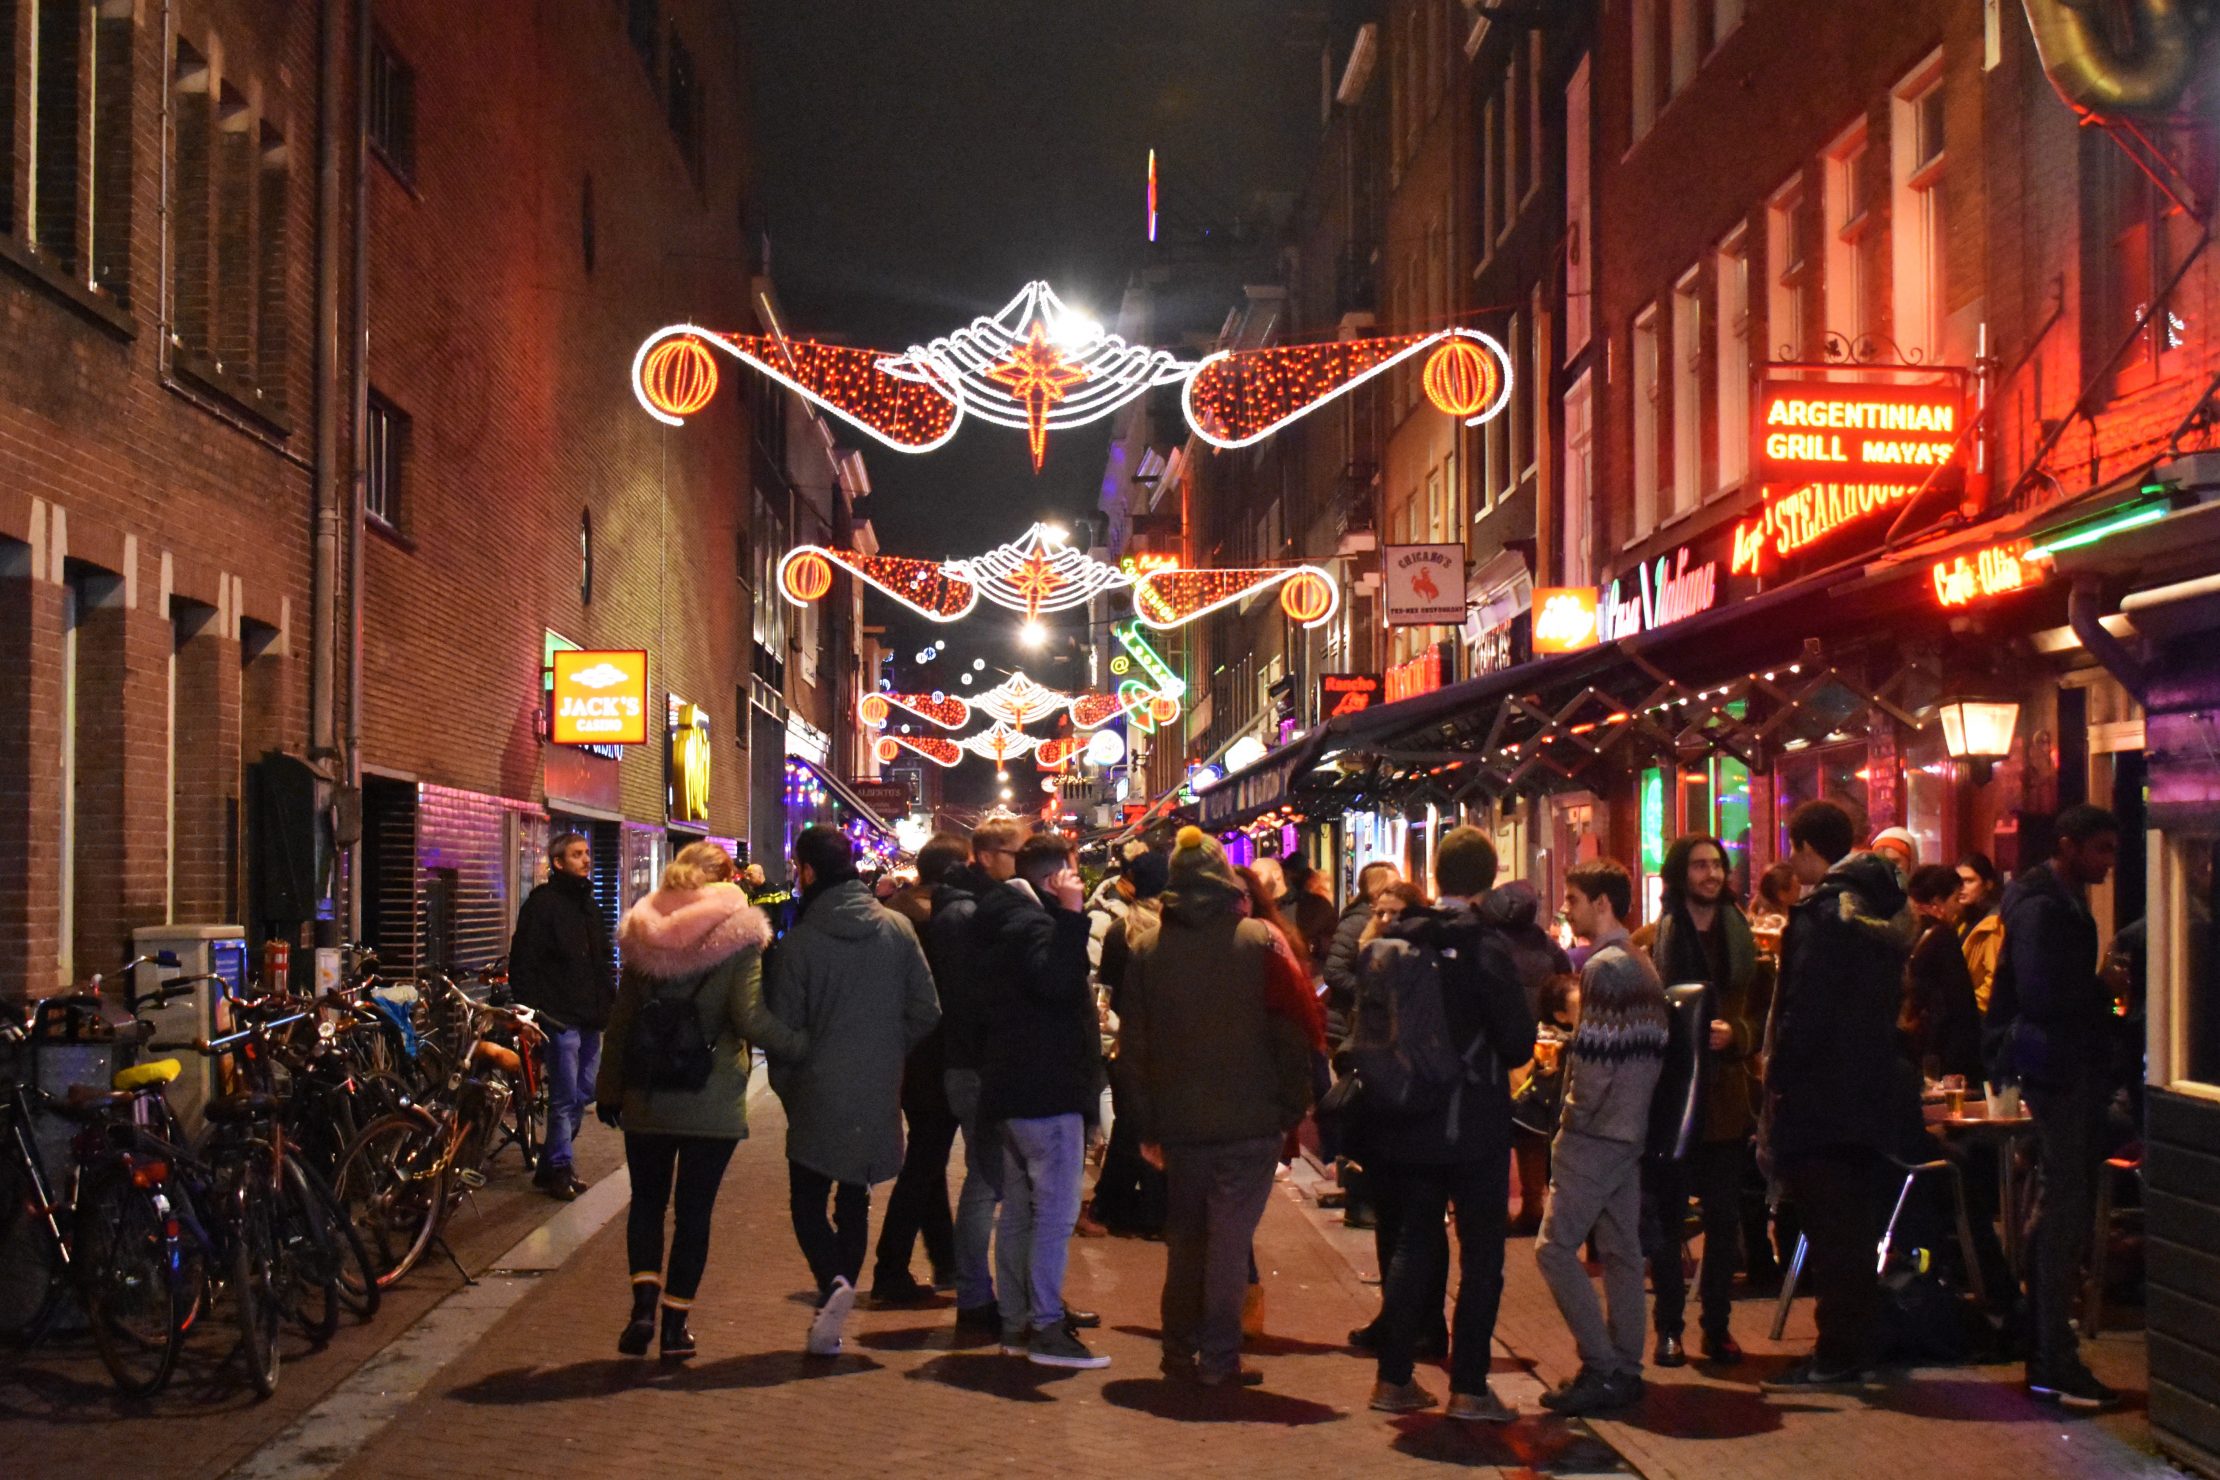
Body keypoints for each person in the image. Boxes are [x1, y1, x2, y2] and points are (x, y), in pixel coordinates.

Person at [1350, 827, 1536, 1421]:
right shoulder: (1484, 946)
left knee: (1414, 1245)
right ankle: (1470, 1387)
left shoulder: (1401, 936)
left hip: (1407, 1116)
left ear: (1436, 873)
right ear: (1490, 878)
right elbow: (1516, 1041)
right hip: (1473, 1121)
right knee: (1482, 1255)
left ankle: (1394, 1378)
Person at [596, 842, 806, 1359]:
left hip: (648, 1092)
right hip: (710, 1094)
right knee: (694, 1213)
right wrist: (802, 1046)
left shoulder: (644, 931)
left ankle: (641, 1307)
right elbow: (750, 1018)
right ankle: (674, 1325)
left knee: (646, 1202)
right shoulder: (739, 937)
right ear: (728, 877)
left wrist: (608, 1086)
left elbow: (622, 1021)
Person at [1122, 827, 1315, 1387]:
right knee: (1230, 1240)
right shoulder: (1259, 940)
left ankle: (1178, 1352)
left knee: (1185, 1239)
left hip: (1180, 1122)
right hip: (1249, 1118)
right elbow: (1292, 1031)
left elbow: (1135, 1048)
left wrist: (1146, 1123)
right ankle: (1220, 1357)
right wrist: (1290, 1107)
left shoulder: (1148, 948)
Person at [766, 825, 941, 1357]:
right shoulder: (898, 931)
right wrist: (888, 1049)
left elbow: (784, 1032)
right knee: (856, 1196)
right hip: (877, 1084)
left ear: (809, 872)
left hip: (817, 1087)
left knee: (807, 1197)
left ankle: (833, 1283)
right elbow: (926, 1010)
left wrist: (793, 1079)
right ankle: (842, 1281)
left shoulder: (797, 946)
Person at [1759, 800, 1916, 1393]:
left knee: (1831, 1231)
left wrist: (1781, 1077)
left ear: (1805, 847)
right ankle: (1857, 1342)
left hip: (1821, 1095)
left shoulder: (1824, 915)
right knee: (1854, 1224)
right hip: (1869, 1088)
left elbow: (1805, 1009)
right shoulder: (1884, 906)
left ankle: (1839, 1351)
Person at [1990, 803, 2125, 1409]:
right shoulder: (2047, 906)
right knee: (2061, 1203)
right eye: (2100, 850)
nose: (2108, 862)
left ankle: (2046, 1344)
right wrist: (2103, 989)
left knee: (2057, 1201)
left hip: (2057, 1066)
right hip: (2058, 1069)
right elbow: (2046, 994)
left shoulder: (2052, 899)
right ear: (2069, 846)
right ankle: (2050, 1354)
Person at [1534, 859, 1667, 1416]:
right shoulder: (1639, 962)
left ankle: (1602, 1365)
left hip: (1597, 1131)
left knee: (1554, 1249)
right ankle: (1626, 1369)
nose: (1567, 908)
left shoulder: (1606, 968)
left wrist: (1571, 1120)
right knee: (1621, 1252)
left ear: (1603, 904)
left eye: (1574, 897)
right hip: (1629, 1127)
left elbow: (1594, 1062)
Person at [973, 831, 1110, 1369]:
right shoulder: (1031, 922)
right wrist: (1073, 917)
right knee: (1052, 1214)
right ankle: (1045, 1326)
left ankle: (1016, 1321)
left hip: (1010, 1085)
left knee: (1019, 1215)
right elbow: (1057, 984)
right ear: (1055, 878)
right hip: (1043, 1088)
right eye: (1072, 874)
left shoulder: (1000, 916)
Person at [1641, 835, 1760, 1368]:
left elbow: (1761, 1016)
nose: (1712, 875)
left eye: (1717, 865)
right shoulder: (1654, 939)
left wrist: (1735, 1033)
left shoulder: (1744, 936)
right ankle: (1669, 1327)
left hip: (1726, 1097)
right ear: (1679, 873)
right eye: (1700, 866)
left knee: (1723, 1216)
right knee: (1666, 1219)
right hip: (1670, 1097)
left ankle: (1718, 1326)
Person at [929, 818, 1024, 1336]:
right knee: (990, 1179)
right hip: (978, 1063)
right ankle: (977, 1296)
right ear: (988, 856)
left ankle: (992, 1293)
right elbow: (976, 997)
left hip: (973, 1060)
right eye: (1015, 853)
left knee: (994, 1178)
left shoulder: (965, 908)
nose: (1021, 864)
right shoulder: (970, 914)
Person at [869, 833, 970, 1306]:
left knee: (927, 1155)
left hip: (902, 1053)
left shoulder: (893, 916)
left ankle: (945, 1259)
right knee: (925, 1161)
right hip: (939, 1051)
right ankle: (891, 1265)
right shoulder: (947, 920)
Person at [508, 831, 615, 1201]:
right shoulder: (542, 905)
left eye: (587, 853)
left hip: (591, 1016)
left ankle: (550, 1165)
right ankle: (559, 1168)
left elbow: (602, 961)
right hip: (560, 1017)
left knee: (585, 1090)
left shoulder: (590, 905)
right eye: (576, 854)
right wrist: (535, 1013)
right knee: (565, 1096)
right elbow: (523, 962)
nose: (586, 860)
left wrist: (609, 1005)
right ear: (558, 862)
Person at [1088, 850, 1172, 1236]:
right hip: (1170, 1042)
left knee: (1131, 1124)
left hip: (1128, 1042)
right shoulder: (1173, 932)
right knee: (1157, 1125)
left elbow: (1105, 990)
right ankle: (1152, 1208)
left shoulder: (1120, 932)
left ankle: (1115, 1203)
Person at [1483, 881, 1573, 1237]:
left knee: (1496, 1131)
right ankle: (1534, 1204)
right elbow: (1564, 984)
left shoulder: (1490, 945)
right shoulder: (1547, 946)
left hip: (1499, 1048)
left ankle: (1498, 1208)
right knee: (1531, 1130)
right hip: (1541, 1046)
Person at [1901, 863, 1983, 1083]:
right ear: (1938, 901)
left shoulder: (1904, 931)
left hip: (1909, 1047)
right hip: (1941, 1053)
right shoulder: (1943, 936)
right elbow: (1959, 1002)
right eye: (1955, 899)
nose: (1958, 908)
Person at [1957, 852, 2005, 1012]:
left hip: (1978, 1016)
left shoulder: (1994, 923)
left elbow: (1994, 979)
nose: (1961, 887)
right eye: (1958, 881)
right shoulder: (1962, 920)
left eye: (1969, 881)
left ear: (1988, 884)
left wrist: (1968, 1007)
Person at [1279, 853, 1342, 971]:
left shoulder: (1317, 905)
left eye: (1287, 876)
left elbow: (1333, 942)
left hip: (1312, 972)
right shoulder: (1280, 905)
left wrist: (1313, 946)